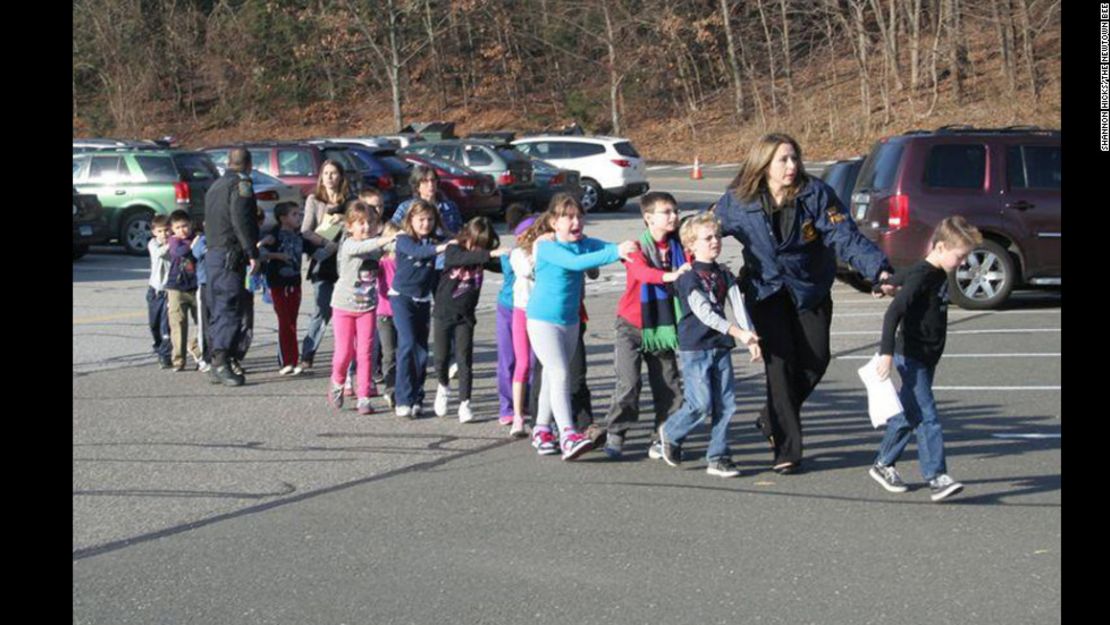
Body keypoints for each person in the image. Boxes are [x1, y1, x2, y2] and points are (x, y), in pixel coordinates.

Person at [714, 133, 895, 474]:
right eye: (783, 160)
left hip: (809, 288)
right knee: (779, 368)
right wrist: (672, 255)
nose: (792, 166)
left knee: (815, 360)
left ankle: (771, 418)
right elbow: (703, 230)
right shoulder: (738, 201)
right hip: (765, 291)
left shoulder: (816, 194)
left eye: (795, 158)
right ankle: (786, 449)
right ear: (764, 164)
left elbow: (846, 237)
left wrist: (879, 270)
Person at [868, 216, 981, 502]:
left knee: (908, 413)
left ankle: (883, 464)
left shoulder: (934, 271)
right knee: (928, 417)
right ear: (941, 247)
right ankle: (937, 477)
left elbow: (903, 276)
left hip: (927, 356)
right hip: (911, 356)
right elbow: (893, 313)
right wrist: (886, 353)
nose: (963, 263)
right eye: (960, 256)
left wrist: (884, 285)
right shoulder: (924, 274)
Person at [526, 193, 637, 460]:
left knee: (554, 377)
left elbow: (602, 248)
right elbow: (576, 263)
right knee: (560, 372)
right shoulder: (547, 247)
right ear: (553, 222)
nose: (576, 222)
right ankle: (568, 435)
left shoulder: (583, 243)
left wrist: (628, 247)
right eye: (568, 217)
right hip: (542, 319)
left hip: (570, 319)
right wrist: (616, 252)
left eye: (579, 216)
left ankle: (541, 429)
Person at [656, 213, 762, 478]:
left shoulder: (724, 273)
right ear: (691, 245)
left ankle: (718, 456)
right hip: (696, 347)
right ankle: (670, 432)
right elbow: (704, 312)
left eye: (716, 236)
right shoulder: (688, 277)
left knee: (726, 404)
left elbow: (737, 304)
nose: (715, 241)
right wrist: (737, 332)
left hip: (721, 345)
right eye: (708, 238)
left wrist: (750, 336)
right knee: (700, 404)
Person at [595, 191, 691, 459]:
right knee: (628, 384)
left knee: (669, 384)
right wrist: (671, 275)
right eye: (667, 212)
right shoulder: (634, 248)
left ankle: (663, 435)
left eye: (675, 211)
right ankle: (616, 432)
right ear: (648, 218)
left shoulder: (681, 248)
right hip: (631, 325)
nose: (674, 216)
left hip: (663, 326)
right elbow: (642, 274)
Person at [432, 217, 509, 423]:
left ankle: (465, 403)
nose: (478, 249)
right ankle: (443, 386)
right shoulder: (453, 249)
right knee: (440, 358)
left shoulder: (482, 257)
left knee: (464, 359)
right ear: (468, 236)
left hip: (465, 317)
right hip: (443, 313)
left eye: (483, 246)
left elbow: (500, 265)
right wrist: (489, 254)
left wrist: (516, 257)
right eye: (476, 243)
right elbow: (461, 259)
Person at [326, 201, 396, 415]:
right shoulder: (349, 244)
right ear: (349, 226)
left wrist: (403, 240)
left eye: (371, 223)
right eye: (361, 223)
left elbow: (395, 248)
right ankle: (337, 382)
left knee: (365, 353)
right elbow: (363, 247)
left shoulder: (376, 244)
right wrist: (386, 239)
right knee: (344, 352)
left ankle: (364, 396)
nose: (366, 227)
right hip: (344, 306)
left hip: (367, 307)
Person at [389, 199, 453, 417]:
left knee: (421, 351)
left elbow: (457, 241)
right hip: (401, 297)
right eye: (421, 220)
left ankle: (417, 397)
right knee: (406, 344)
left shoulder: (436, 239)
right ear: (411, 220)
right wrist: (442, 247)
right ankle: (402, 399)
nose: (426, 224)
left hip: (423, 299)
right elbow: (419, 252)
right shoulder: (403, 239)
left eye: (430, 219)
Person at [203, 147, 261, 386]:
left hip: (214, 253)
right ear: (248, 165)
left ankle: (215, 360)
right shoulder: (241, 185)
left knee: (217, 308)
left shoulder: (215, 185)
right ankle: (221, 361)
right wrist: (252, 252)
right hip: (230, 254)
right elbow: (241, 219)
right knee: (230, 307)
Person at [300, 160, 352, 370]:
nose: (329, 177)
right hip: (323, 261)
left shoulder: (350, 201)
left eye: (334, 173)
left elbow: (356, 228)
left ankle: (348, 357)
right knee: (322, 309)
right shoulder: (314, 200)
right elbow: (305, 230)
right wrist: (325, 242)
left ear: (340, 176)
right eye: (326, 173)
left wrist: (341, 226)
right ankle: (307, 353)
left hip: (346, 262)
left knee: (347, 311)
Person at [260, 202, 317, 375]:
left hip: (295, 282)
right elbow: (259, 252)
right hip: (278, 282)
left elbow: (316, 252)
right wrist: (275, 254)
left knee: (292, 321)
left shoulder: (300, 236)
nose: (298, 217)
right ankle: (287, 361)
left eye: (299, 214)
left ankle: (292, 360)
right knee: (285, 322)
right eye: (294, 214)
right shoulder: (273, 234)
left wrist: (331, 245)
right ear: (283, 218)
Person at [494, 205, 535, 432]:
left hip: (535, 311)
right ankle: (507, 407)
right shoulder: (512, 255)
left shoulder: (542, 251)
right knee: (509, 360)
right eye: (524, 234)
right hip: (510, 308)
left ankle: (528, 403)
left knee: (532, 360)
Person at [165, 210, 201, 372]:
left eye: (185, 226)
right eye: (178, 227)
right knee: (178, 323)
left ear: (191, 225)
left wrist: (197, 242)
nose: (182, 230)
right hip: (177, 288)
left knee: (201, 322)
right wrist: (192, 245)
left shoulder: (198, 238)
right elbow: (178, 252)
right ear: (172, 229)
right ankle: (178, 360)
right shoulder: (174, 241)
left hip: (196, 286)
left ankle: (197, 348)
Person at [390, 163, 464, 238]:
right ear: (417, 186)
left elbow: (459, 230)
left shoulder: (450, 206)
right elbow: (391, 230)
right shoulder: (406, 207)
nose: (430, 185)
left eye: (433, 180)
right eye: (425, 181)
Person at [375, 222, 402, 409]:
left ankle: (403, 387)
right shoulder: (381, 263)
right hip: (384, 313)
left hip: (403, 311)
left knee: (404, 352)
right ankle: (390, 388)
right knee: (389, 353)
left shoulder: (405, 261)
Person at [146, 215, 173, 369]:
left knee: (166, 325)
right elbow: (160, 253)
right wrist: (173, 242)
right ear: (154, 232)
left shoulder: (174, 245)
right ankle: (158, 347)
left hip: (168, 291)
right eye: (160, 231)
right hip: (154, 291)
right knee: (154, 324)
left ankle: (165, 354)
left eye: (167, 231)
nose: (164, 234)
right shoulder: (153, 244)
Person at [191, 223, 212, 372]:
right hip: (205, 284)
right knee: (205, 322)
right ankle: (205, 358)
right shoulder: (202, 240)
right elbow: (197, 252)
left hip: (221, 283)